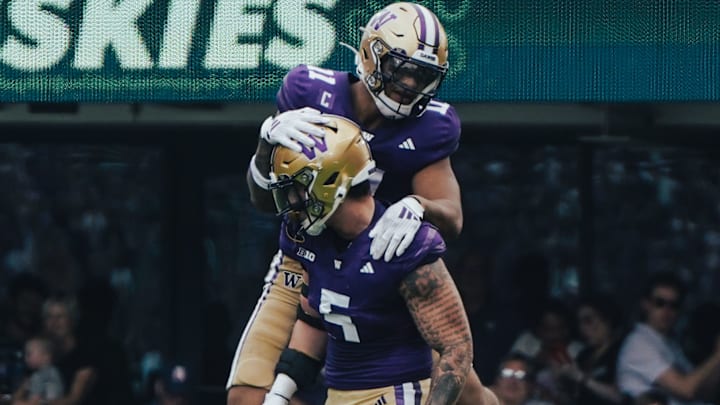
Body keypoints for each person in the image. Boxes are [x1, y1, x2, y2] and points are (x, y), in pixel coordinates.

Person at [228, 2, 494, 405]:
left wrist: (418, 204)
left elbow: (452, 216)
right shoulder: (307, 93)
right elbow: (265, 202)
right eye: (400, 69)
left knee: (464, 387)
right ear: (371, 54)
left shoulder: (430, 127)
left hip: (381, 263)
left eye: (421, 75)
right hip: (307, 255)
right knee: (249, 394)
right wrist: (267, 145)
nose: (408, 83)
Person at [261, 114, 472, 404]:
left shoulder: (404, 243)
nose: (292, 200)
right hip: (337, 393)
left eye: (299, 187)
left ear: (330, 182)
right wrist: (280, 392)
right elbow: (314, 320)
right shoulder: (309, 235)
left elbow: (456, 347)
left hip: (396, 391)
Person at [616, 271, 720, 405]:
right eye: (660, 303)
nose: (667, 310)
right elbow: (686, 390)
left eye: (674, 305)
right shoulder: (639, 345)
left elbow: (704, 392)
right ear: (645, 304)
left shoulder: (669, 343)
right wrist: (717, 356)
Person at [554, 294, 628, 405]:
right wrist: (563, 381)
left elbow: (619, 396)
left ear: (607, 319)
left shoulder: (621, 352)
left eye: (588, 321)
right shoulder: (584, 355)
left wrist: (583, 378)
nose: (583, 328)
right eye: (580, 323)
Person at [11, 336, 64, 404]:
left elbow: (33, 402)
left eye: (29, 354)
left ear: (45, 356)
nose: (25, 358)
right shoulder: (54, 372)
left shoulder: (39, 376)